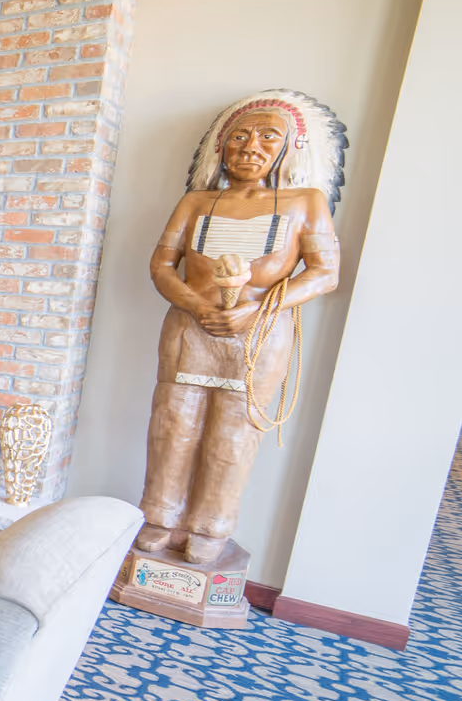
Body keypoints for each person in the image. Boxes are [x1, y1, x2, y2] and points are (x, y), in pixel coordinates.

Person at [134, 90, 344, 565]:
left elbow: (324, 272)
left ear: (290, 148)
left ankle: (210, 525)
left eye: (269, 137)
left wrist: (257, 309)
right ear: (221, 147)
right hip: (190, 329)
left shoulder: (305, 202)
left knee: (234, 430)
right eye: (239, 137)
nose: (251, 147)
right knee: (172, 424)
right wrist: (193, 303)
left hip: (260, 334)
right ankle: (160, 515)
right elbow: (164, 264)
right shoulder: (197, 202)